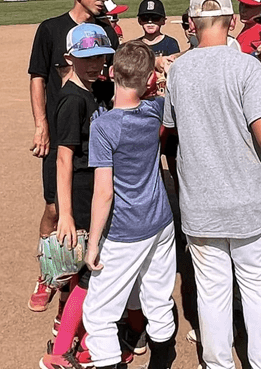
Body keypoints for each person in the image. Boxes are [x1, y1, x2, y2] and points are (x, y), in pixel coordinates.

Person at [162, 0, 261, 369]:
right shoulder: (246, 66)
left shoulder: (179, 69)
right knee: (257, 286)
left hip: (200, 200)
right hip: (247, 199)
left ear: (193, 24)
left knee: (211, 291)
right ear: (233, 22)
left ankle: (217, 363)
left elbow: (171, 127)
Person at [27, 0, 120, 313]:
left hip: (91, 133)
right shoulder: (50, 29)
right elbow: (38, 77)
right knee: (54, 207)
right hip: (59, 131)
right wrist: (41, 125)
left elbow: (114, 76)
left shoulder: (106, 31)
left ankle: (79, 273)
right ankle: (48, 271)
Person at [83, 41, 178, 369]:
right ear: (149, 78)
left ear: (111, 73)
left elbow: (104, 193)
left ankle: (109, 362)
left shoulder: (103, 126)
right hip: (161, 222)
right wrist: (165, 72)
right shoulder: (155, 109)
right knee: (157, 294)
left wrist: (93, 243)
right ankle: (163, 359)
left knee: (98, 313)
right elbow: (167, 98)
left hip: (125, 231)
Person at [39, 23, 114, 369]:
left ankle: (76, 340)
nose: (94, 64)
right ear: (69, 58)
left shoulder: (95, 90)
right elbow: (64, 157)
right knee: (88, 275)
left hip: (92, 194)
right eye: (86, 58)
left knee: (90, 275)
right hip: (82, 199)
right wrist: (65, 214)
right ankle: (61, 351)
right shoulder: (71, 99)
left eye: (99, 56)